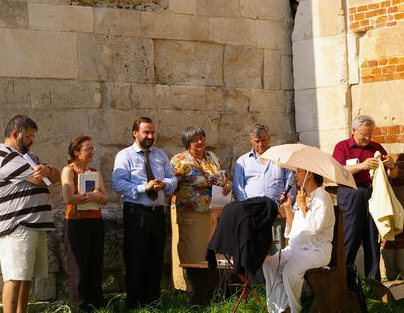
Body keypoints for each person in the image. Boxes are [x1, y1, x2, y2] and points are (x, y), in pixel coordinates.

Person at [111, 116, 177, 309]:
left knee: (156, 259)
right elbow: (117, 183)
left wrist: (164, 184)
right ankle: (134, 304)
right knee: (136, 259)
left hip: (158, 213)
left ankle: (152, 303)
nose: (150, 136)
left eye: (152, 132)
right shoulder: (125, 156)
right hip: (136, 212)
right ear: (135, 133)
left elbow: (173, 180)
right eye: (146, 132)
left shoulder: (160, 155)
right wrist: (144, 187)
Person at [0, 115, 61, 313]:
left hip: (34, 226)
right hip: (18, 226)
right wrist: (46, 174)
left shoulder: (30, 157)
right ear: (15, 134)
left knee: (26, 278)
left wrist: (48, 169)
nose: (32, 140)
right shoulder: (4, 155)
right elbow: (41, 180)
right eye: (29, 136)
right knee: (14, 278)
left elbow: (57, 176)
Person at [332, 115, 398, 280]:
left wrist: (392, 165)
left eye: (370, 135)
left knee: (372, 238)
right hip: (350, 194)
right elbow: (336, 173)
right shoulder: (342, 147)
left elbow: (393, 175)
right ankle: (343, 282)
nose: (368, 138)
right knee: (349, 237)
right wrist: (362, 166)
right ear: (354, 131)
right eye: (364, 134)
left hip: (372, 194)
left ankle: (373, 282)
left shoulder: (376, 147)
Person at [169, 126, 232, 292]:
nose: (200, 142)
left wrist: (228, 185)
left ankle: (214, 291)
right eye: (195, 139)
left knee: (214, 254)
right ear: (187, 143)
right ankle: (193, 293)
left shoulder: (212, 157)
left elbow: (224, 177)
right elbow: (169, 186)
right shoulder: (179, 161)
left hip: (215, 214)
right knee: (195, 255)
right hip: (192, 216)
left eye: (202, 138)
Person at [262, 169, 335, 313]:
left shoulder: (323, 196)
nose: (295, 175)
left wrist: (303, 206)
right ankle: (280, 308)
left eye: (299, 171)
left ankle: (295, 309)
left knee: (290, 271)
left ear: (310, 173)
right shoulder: (302, 196)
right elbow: (293, 228)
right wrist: (288, 208)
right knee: (270, 266)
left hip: (316, 250)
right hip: (296, 249)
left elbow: (315, 227)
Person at [61, 136, 109, 312]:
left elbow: (105, 199)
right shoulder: (68, 171)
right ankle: (78, 309)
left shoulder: (95, 172)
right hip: (76, 224)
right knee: (78, 269)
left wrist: (98, 197)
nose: (92, 152)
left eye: (92, 148)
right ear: (76, 152)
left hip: (95, 222)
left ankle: (95, 307)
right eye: (88, 149)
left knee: (95, 267)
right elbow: (68, 198)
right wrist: (89, 197)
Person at [232, 123, 295, 253]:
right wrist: (247, 209)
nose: (260, 145)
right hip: (252, 215)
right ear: (251, 141)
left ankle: (277, 274)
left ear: (269, 138)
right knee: (255, 252)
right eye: (257, 141)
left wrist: (286, 206)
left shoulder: (280, 159)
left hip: (277, 213)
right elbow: (238, 189)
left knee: (278, 251)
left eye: (263, 140)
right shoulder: (242, 161)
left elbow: (291, 182)